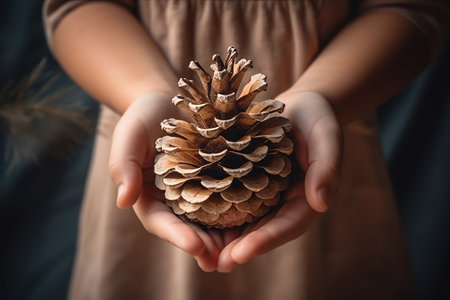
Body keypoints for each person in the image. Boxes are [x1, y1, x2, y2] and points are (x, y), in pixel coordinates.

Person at [43, 0, 449, 299]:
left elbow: (414, 9)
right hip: (154, 154)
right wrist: (145, 94)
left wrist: (320, 95)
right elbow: (75, 6)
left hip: (314, 150)